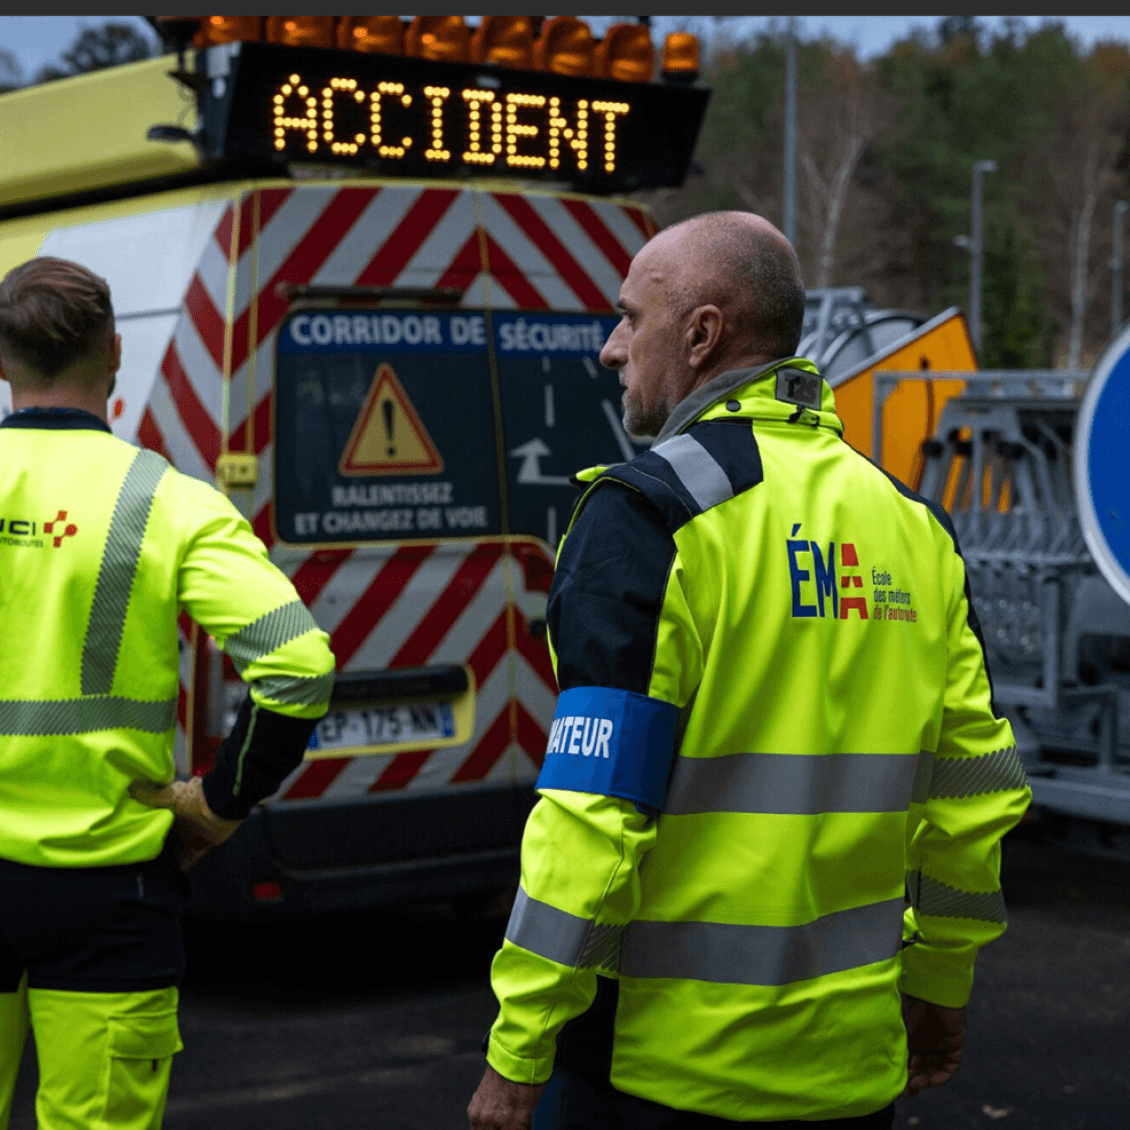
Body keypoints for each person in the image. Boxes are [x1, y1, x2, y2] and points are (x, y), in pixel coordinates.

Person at [468, 212, 1031, 1129]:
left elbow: (592, 818)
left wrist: (519, 1047)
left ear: (701, 334)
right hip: (851, 1073)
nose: (612, 348)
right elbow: (971, 796)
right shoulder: (913, 528)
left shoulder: (648, 516)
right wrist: (939, 983)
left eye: (630, 318)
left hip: (659, 1078)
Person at [0, 257, 335, 1129]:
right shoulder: (169, 501)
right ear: (115, 352)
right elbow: (299, 667)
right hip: (110, 891)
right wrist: (218, 805)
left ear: (0, 360)